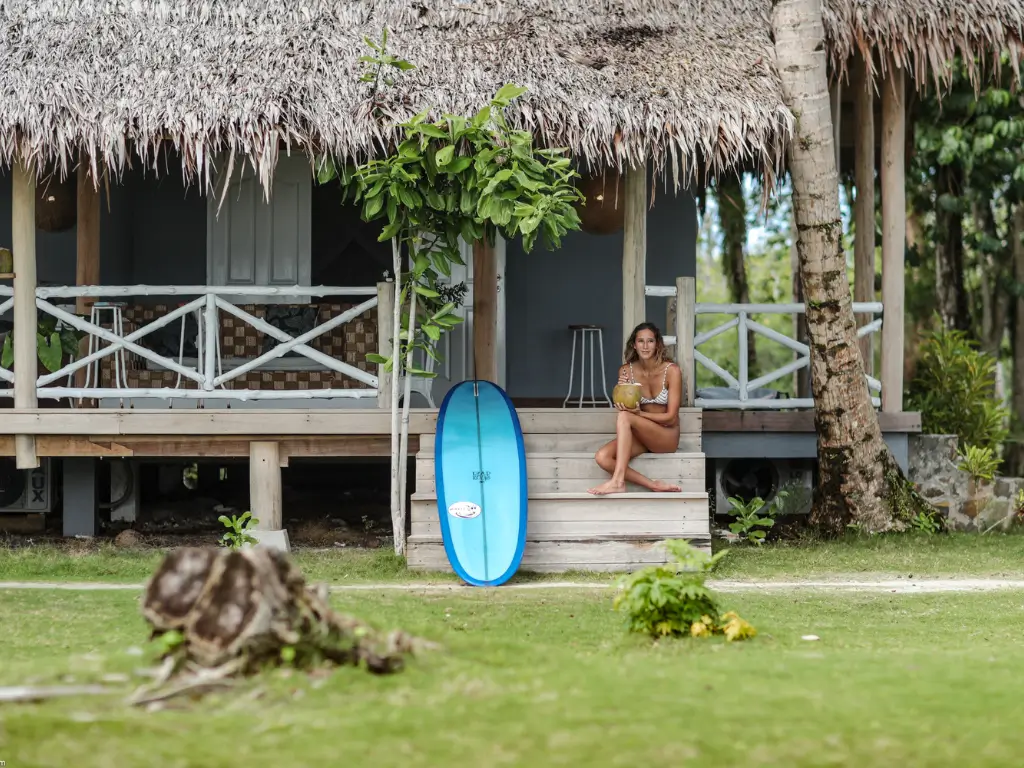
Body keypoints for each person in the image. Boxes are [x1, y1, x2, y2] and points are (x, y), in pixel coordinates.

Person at [588, 322, 683, 495]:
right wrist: (622, 394)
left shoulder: (672, 371)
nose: (645, 346)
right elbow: (626, 408)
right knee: (602, 457)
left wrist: (638, 414)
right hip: (642, 436)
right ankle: (652, 485)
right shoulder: (626, 371)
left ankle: (617, 481)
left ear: (658, 344)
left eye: (650, 341)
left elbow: (671, 417)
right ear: (634, 344)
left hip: (665, 436)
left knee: (625, 417)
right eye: (641, 341)